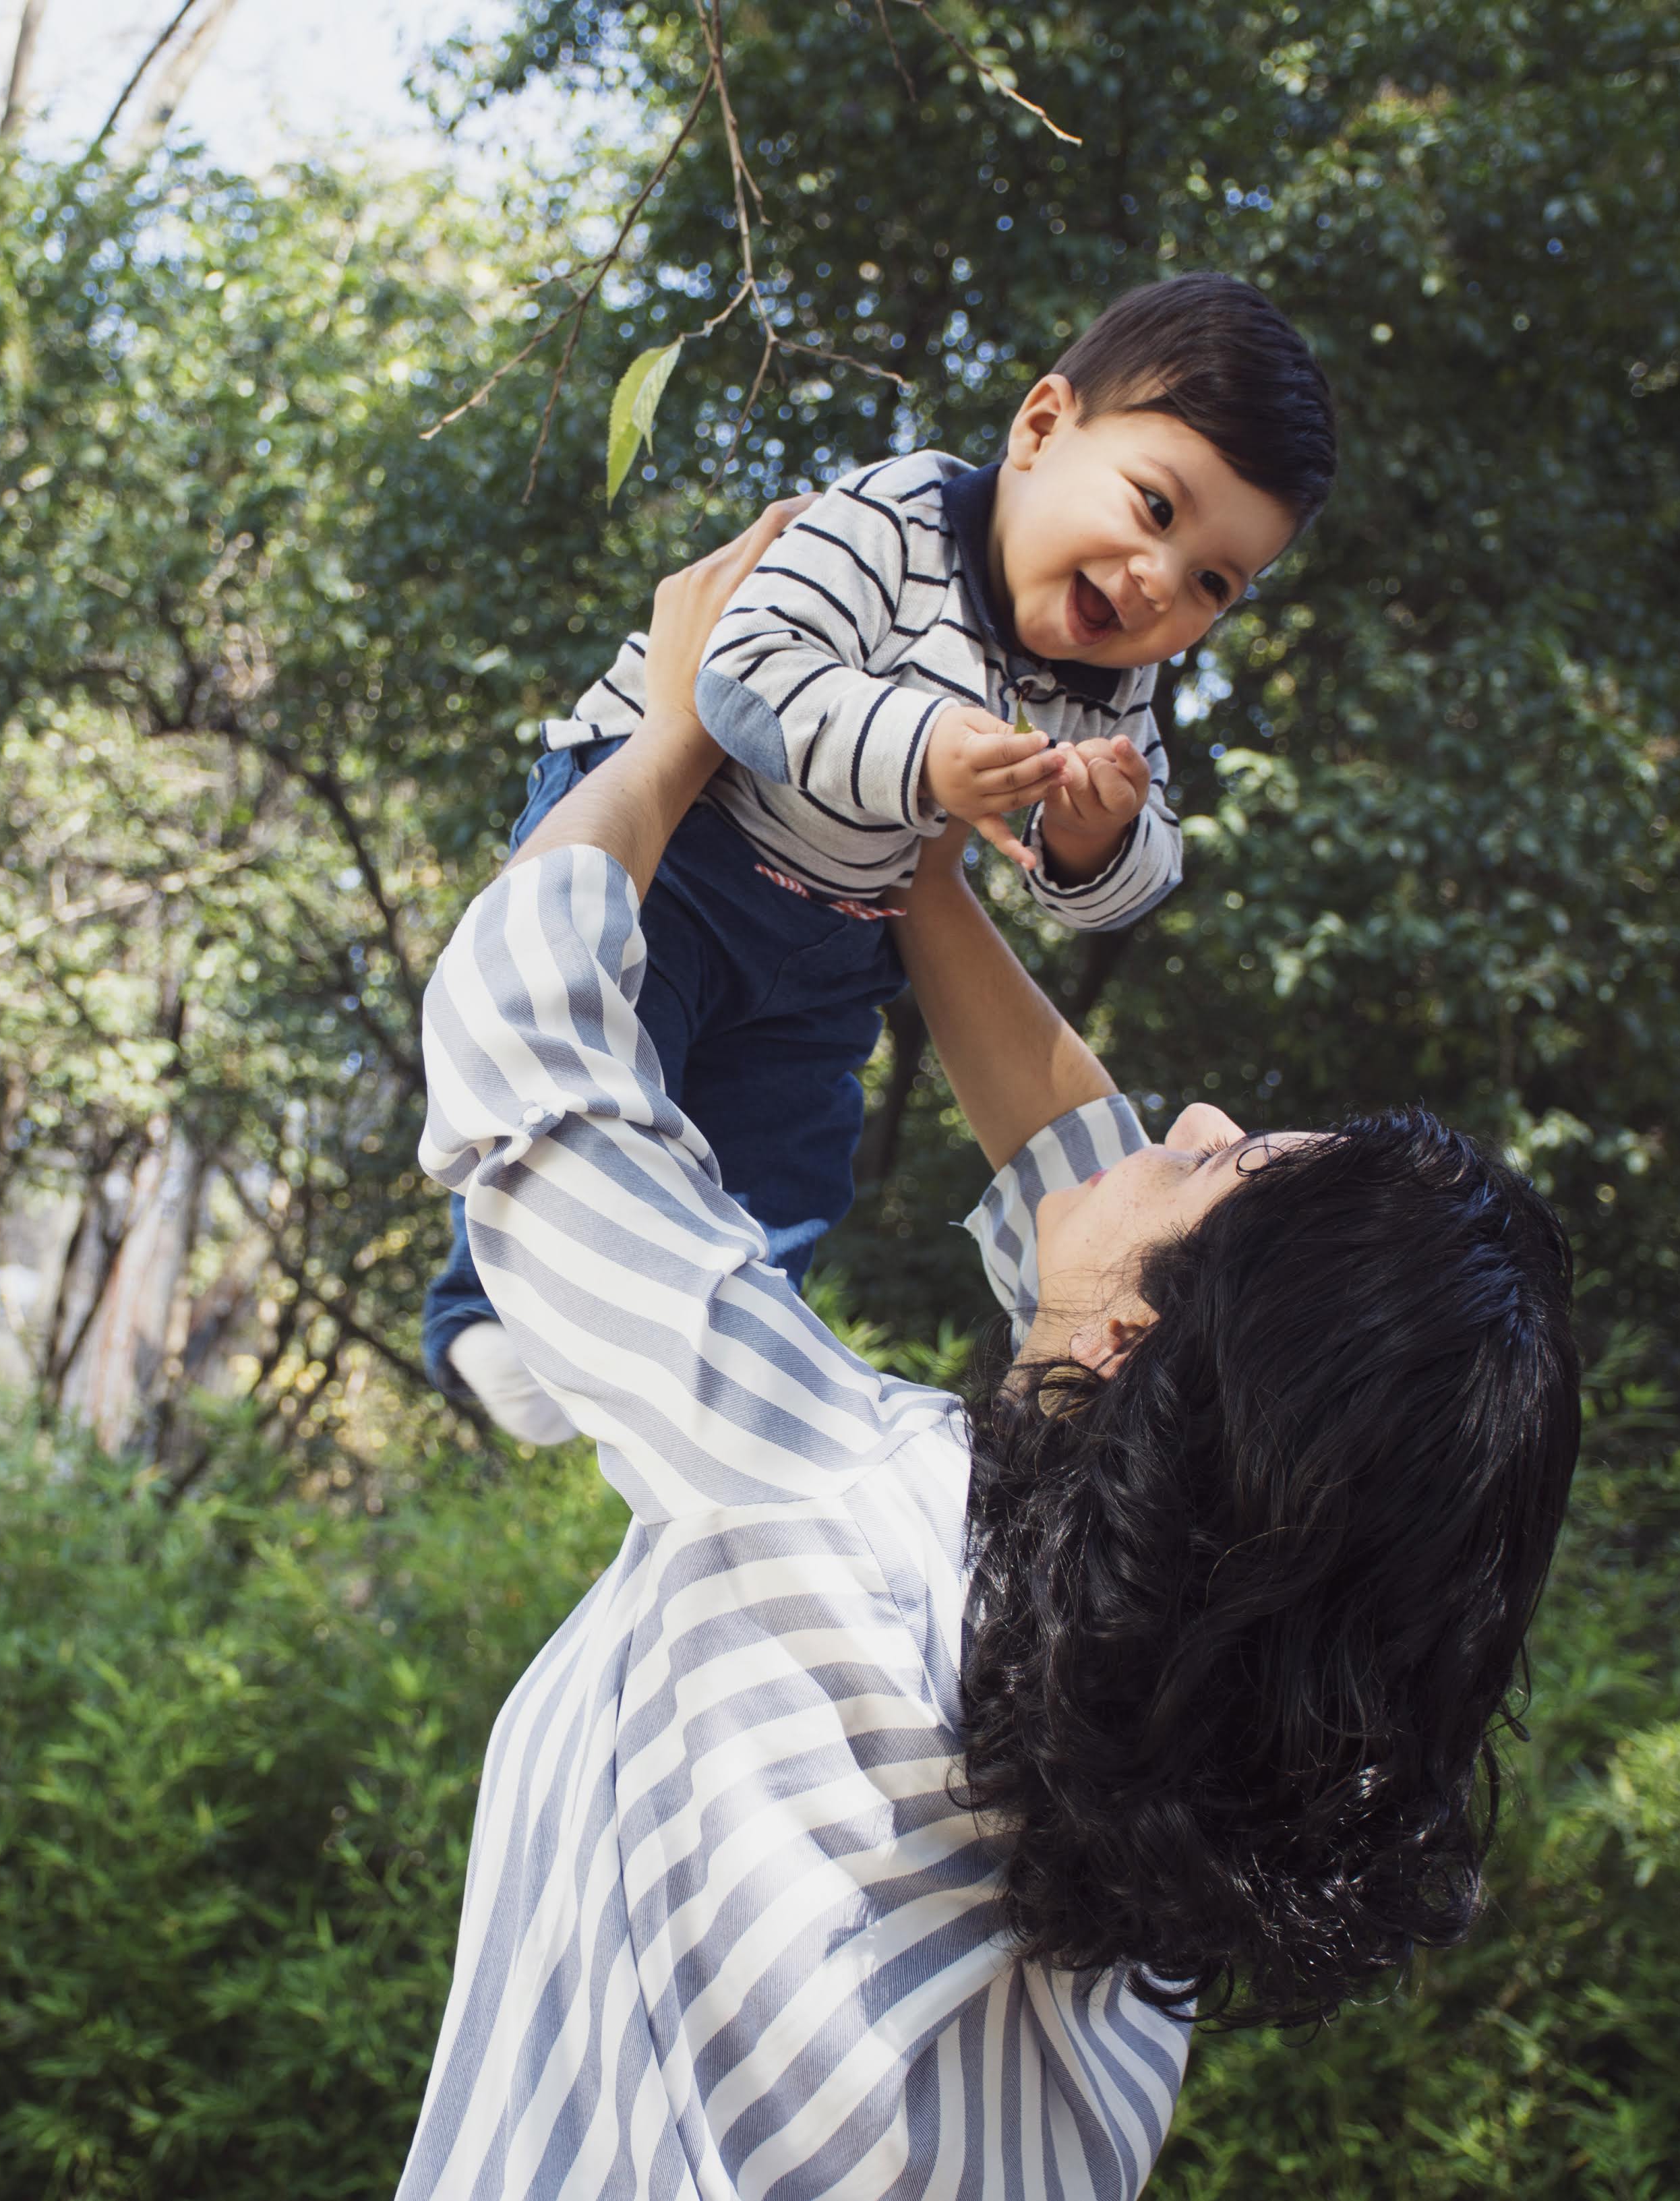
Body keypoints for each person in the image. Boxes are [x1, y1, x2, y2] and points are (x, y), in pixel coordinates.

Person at [397, 504, 1580, 2198]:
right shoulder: (1150, 1863)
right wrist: (923, 862)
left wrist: (673, 729)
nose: (1193, 1112)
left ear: (1157, 1339)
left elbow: (532, 1069)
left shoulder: (820, 1504)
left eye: (1230, 1160)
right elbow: (1100, 1213)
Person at [428, 273, 1338, 1441]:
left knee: (794, 1158)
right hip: (690, 848)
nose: (1162, 582)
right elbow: (742, 675)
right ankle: (484, 1311)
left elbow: (1129, 887)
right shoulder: (897, 520)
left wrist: (1093, 835)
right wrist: (924, 755)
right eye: (1156, 510)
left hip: (832, 934)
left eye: (1214, 582)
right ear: (1042, 429)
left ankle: (727, 1359)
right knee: (603, 1038)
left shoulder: (1115, 689)